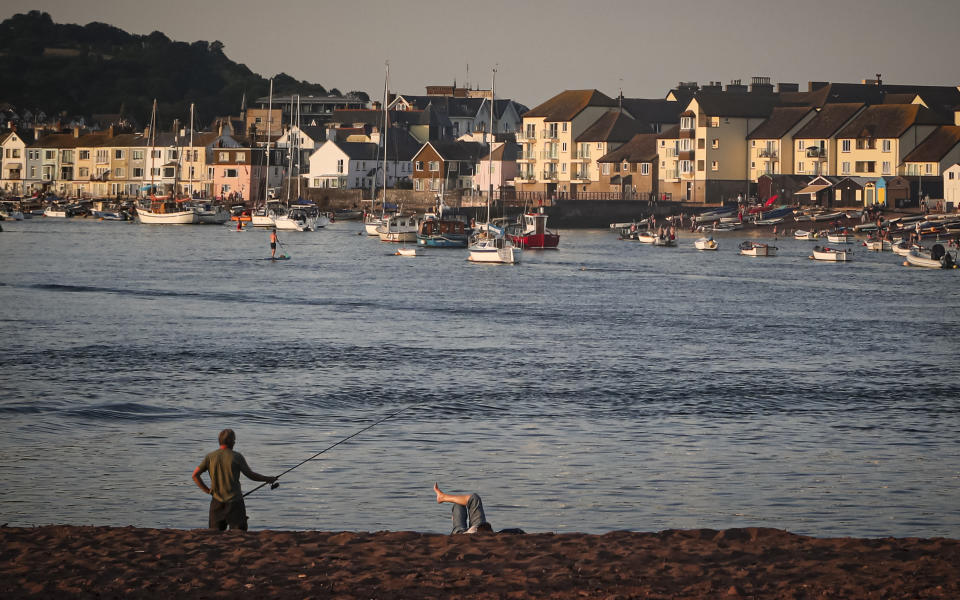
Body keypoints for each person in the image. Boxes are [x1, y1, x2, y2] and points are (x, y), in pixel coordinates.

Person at [192, 429, 276, 531]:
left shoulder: (210, 457)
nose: (235, 442)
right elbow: (251, 475)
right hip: (235, 503)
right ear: (231, 441)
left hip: (216, 502)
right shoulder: (236, 456)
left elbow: (195, 475)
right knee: (239, 533)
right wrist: (268, 479)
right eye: (234, 440)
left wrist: (207, 490)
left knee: (214, 534)